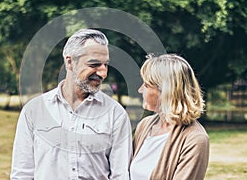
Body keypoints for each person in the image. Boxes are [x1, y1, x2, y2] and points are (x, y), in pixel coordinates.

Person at [11, 29, 132, 179]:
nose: (103, 73)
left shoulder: (116, 114)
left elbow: (120, 175)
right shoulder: (34, 111)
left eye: (105, 65)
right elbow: (22, 174)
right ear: (70, 62)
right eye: (94, 64)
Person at [130, 54, 209, 180]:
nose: (140, 90)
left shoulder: (195, 139)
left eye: (146, 85)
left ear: (166, 91)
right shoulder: (144, 126)